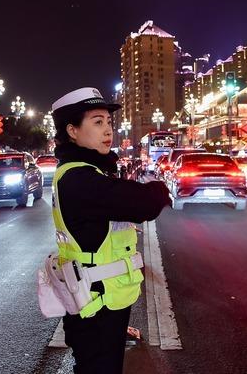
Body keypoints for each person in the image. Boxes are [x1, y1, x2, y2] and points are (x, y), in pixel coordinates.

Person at [50, 87, 171, 374]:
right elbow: (143, 203)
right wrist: (160, 188)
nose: (108, 130)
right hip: (96, 307)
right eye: (97, 122)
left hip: (99, 299)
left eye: (108, 122)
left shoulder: (86, 172)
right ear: (72, 131)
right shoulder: (79, 179)